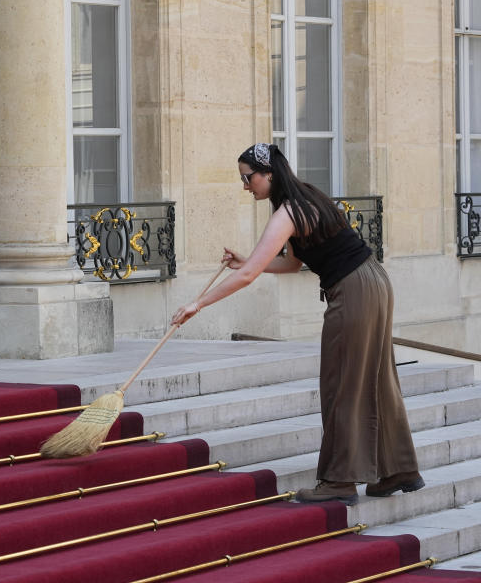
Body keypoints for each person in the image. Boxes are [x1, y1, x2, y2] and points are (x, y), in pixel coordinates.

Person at [170, 143, 422, 506]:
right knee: (378, 378)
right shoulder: (308, 198)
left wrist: (198, 303)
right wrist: (245, 262)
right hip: (373, 281)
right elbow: (289, 265)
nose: (245, 186)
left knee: (341, 382)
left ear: (268, 174)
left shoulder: (287, 212)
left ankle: (339, 481)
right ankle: (400, 469)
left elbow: (250, 276)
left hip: (352, 289)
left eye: (247, 178)